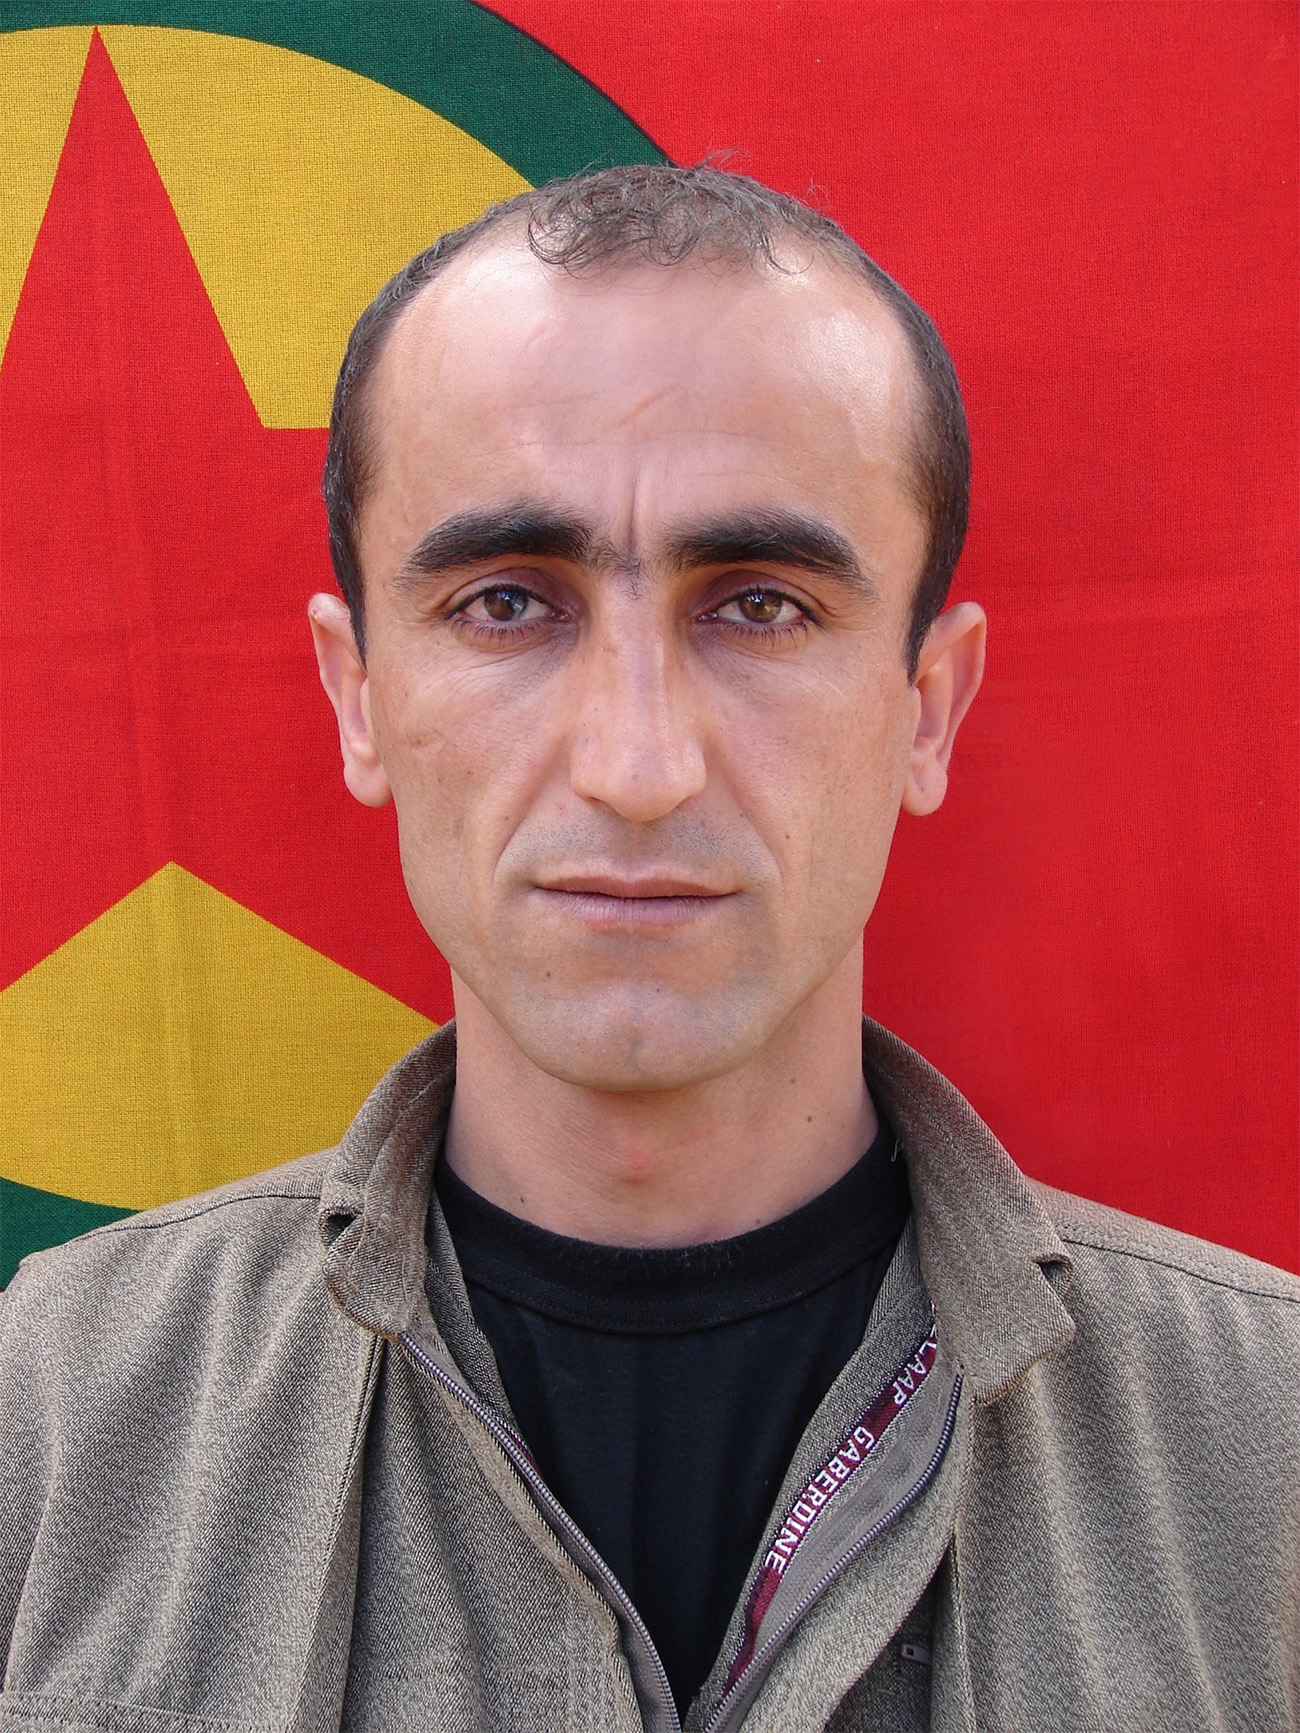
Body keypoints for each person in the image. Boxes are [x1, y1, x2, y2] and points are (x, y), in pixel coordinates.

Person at [1, 165, 1296, 1733]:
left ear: (928, 711)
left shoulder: (1268, 1455)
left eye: (761, 606)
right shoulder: (49, 1415)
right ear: (358, 698)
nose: (637, 764)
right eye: (505, 604)